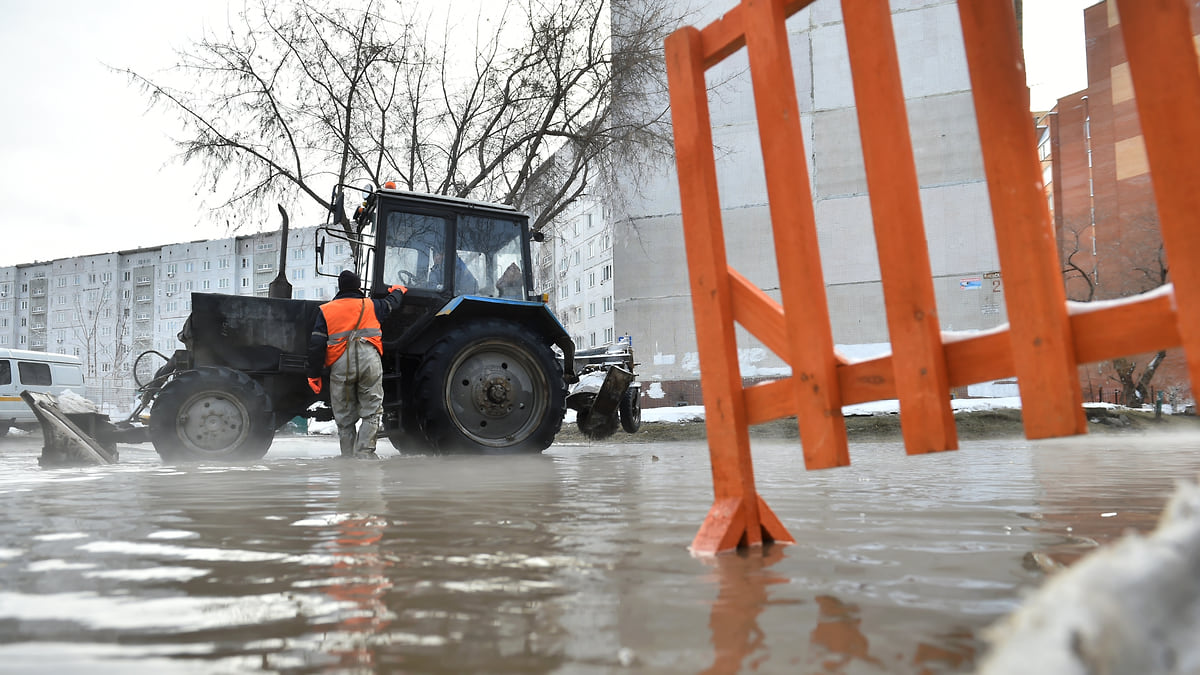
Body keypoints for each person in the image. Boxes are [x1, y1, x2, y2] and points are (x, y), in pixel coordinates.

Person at [308, 270, 407, 458]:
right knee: (372, 411)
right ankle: (365, 455)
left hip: (340, 364)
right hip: (369, 362)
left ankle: (347, 458)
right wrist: (398, 291)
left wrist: (313, 374)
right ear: (359, 286)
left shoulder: (326, 310)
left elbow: (316, 345)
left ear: (340, 288)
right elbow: (391, 304)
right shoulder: (372, 305)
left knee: (345, 418)